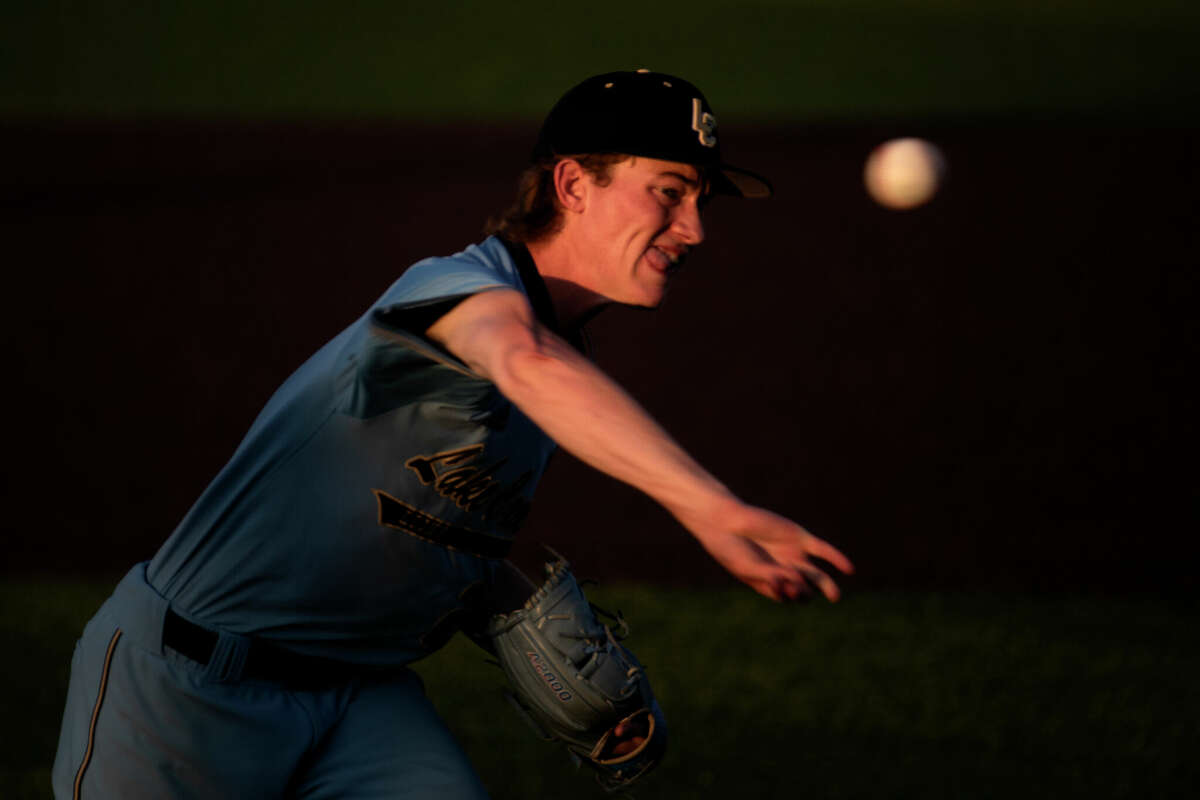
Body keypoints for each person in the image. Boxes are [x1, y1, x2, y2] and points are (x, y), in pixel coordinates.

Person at [53, 69, 854, 799]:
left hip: (361, 698)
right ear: (574, 183)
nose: (694, 229)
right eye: (670, 191)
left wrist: (510, 603)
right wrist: (710, 508)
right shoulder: (459, 293)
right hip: (189, 690)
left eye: (702, 200)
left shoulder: (562, 354)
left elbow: (429, 520)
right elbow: (521, 361)